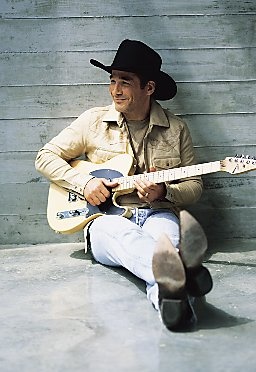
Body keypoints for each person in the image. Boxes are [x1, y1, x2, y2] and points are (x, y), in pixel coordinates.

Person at [35, 39, 213, 330]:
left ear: (149, 88)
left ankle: (172, 302)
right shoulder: (93, 122)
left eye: (126, 82)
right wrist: (85, 183)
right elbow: (45, 157)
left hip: (158, 212)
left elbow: (194, 185)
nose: (115, 90)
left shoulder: (177, 129)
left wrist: (165, 191)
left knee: (165, 242)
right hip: (105, 220)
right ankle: (186, 272)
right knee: (129, 238)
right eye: (113, 80)